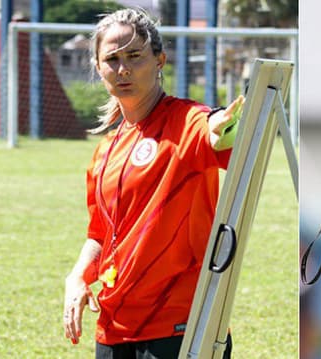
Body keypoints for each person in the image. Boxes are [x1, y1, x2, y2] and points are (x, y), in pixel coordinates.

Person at [62, 8, 244, 358]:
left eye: (135, 56)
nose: (123, 69)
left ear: (159, 60)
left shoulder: (185, 120)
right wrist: (77, 276)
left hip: (181, 327)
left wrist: (223, 125)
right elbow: (100, 234)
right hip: (114, 328)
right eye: (112, 59)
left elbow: (212, 129)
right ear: (99, 69)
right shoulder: (104, 153)